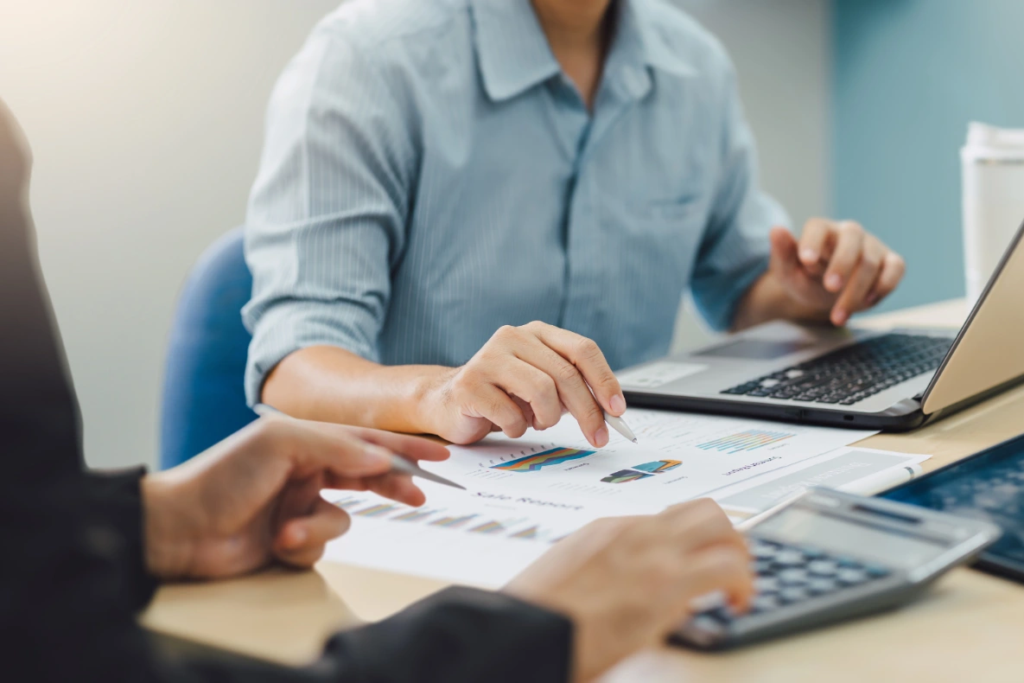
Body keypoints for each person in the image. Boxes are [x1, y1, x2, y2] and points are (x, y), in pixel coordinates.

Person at [0, 99, 753, 682]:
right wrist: (518, 638)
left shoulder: (691, 63)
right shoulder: (375, 52)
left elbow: (31, 604)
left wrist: (139, 526)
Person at [243, 0, 907, 449]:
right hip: (423, 498)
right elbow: (293, 366)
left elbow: (739, 289)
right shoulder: (368, 59)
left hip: (621, 478)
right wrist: (439, 393)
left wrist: (812, 291)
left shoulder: (694, 66)